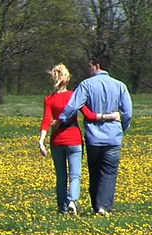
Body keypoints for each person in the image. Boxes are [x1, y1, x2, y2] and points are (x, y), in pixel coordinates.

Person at [57, 54, 132, 216]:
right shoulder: (120, 86)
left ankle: (97, 205)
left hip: (94, 136)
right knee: (110, 172)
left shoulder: (86, 85)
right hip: (113, 136)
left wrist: (61, 120)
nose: (89, 69)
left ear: (97, 66)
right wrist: (123, 128)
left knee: (95, 170)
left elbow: (73, 105)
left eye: (90, 66)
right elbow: (127, 112)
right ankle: (104, 206)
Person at [39, 63, 118, 215]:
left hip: (56, 141)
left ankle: (62, 209)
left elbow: (46, 120)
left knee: (61, 177)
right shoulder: (74, 96)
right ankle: (72, 201)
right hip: (74, 139)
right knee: (75, 175)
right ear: (67, 79)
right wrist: (110, 116)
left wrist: (41, 141)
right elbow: (88, 115)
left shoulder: (49, 99)